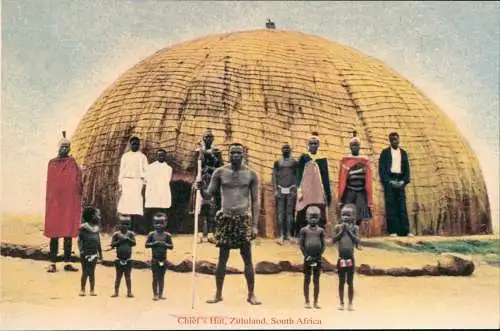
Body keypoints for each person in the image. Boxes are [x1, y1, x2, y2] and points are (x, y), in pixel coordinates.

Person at [197, 143, 261, 305]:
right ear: (228, 155)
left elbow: (255, 202)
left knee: (247, 258)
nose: (235, 156)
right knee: (222, 259)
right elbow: (208, 195)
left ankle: (251, 294)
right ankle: (218, 294)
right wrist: (200, 188)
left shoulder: (251, 175)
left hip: (242, 219)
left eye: (239, 153)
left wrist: (254, 225)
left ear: (244, 154)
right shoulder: (220, 172)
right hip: (225, 219)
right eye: (232, 153)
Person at [44, 131, 82, 273]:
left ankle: (67, 262)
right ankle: (53, 263)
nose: (65, 149)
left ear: (69, 148)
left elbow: (77, 181)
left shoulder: (72, 163)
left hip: (68, 204)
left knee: (67, 233)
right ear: (58, 147)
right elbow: (51, 185)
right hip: (55, 204)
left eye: (67, 147)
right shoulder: (52, 163)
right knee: (54, 234)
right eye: (63, 146)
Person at [295, 132, 332, 235]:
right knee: (303, 208)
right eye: (311, 143)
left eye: (315, 143)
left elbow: (325, 177)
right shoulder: (304, 157)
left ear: (318, 145)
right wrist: (299, 188)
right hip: (306, 189)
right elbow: (299, 173)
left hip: (317, 190)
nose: (313, 145)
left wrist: (327, 193)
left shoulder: (322, 159)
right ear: (308, 145)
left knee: (318, 208)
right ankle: (301, 233)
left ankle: (318, 232)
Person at [338, 132, 373, 236]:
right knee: (347, 213)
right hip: (349, 191)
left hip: (361, 191)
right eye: (353, 145)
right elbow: (342, 179)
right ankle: (346, 234)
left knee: (359, 215)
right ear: (350, 147)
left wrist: (368, 195)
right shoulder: (345, 161)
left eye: (356, 145)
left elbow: (368, 178)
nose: (355, 147)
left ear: (359, 147)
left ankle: (355, 234)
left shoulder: (365, 161)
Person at [192, 129, 223, 243]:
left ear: (213, 139)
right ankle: (200, 234)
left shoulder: (217, 152)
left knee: (212, 208)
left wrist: (211, 167)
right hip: (201, 181)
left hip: (213, 181)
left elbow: (221, 167)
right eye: (206, 137)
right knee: (200, 208)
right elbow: (196, 167)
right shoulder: (198, 151)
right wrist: (194, 181)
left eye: (210, 137)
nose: (208, 139)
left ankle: (211, 234)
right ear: (203, 138)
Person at [378, 132, 412, 237]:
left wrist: (403, 181)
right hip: (390, 180)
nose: (394, 141)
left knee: (402, 206)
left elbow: (407, 169)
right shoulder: (385, 153)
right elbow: (382, 169)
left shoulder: (403, 153)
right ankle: (393, 231)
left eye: (395, 139)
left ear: (399, 140)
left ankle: (405, 231)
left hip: (400, 179)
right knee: (391, 206)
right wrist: (388, 181)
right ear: (389, 141)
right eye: (392, 139)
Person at [332, 204, 361, 311]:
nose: (345, 218)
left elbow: (357, 241)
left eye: (348, 215)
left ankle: (350, 303)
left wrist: (348, 231)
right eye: (343, 215)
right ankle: (341, 303)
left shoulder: (355, 228)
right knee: (341, 281)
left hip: (350, 259)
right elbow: (333, 240)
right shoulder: (337, 228)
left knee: (350, 282)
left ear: (353, 217)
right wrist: (341, 232)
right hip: (341, 259)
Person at [117, 136, 148, 234]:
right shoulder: (125, 156)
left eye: (137, 144)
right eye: (133, 144)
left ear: (139, 145)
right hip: (126, 182)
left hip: (137, 182)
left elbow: (146, 170)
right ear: (130, 145)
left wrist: (143, 182)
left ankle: (135, 228)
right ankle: (127, 228)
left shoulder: (142, 156)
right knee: (127, 206)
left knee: (136, 206)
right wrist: (121, 183)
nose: (135, 146)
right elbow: (122, 170)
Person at [299, 205, 325, 309]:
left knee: (316, 280)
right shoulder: (304, 231)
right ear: (306, 217)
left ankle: (316, 302)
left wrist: (319, 256)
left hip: (317, 259)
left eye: (316, 217)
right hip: (308, 259)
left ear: (319, 218)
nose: (313, 219)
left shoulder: (320, 231)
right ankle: (307, 301)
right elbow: (301, 245)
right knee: (307, 279)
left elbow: (323, 245)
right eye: (311, 217)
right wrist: (306, 256)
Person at [272, 143, 298, 244]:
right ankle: (281, 235)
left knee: (289, 213)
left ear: (290, 149)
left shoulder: (295, 162)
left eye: (287, 148)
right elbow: (274, 176)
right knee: (280, 213)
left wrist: (294, 188)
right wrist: (275, 190)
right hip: (280, 190)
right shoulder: (277, 162)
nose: (286, 150)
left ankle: (289, 234)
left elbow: (297, 176)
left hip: (291, 189)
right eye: (284, 148)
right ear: (281, 150)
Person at [145, 213, 174, 301]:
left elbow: (171, 246)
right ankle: (155, 294)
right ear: (153, 223)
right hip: (155, 259)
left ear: (166, 223)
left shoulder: (167, 235)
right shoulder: (151, 234)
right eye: (157, 223)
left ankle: (161, 294)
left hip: (164, 260)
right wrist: (154, 243)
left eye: (161, 223)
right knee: (155, 277)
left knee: (161, 278)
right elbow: (146, 245)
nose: (159, 225)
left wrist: (165, 244)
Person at [145, 149, 173, 233]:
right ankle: (152, 229)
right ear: (156, 156)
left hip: (163, 191)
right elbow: (147, 179)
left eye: (163, 155)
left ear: (165, 157)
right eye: (159, 155)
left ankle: (163, 229)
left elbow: (167, 179)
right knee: (153, 210)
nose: (161, 157)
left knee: (163, 210)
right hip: (153, 191)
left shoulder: (168, 168)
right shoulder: (150, 167)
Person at [78, 207, 103, 297]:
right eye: (98, 215)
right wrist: (81, 250)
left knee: (92, 272)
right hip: (85, 253)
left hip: (94, 253)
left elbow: (98, 241)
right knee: (85, 271)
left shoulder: (97, 228)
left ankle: (92, 289)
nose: (99, 217)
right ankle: (82, 289)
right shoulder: (83, 227)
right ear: (92, 216)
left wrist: (100, 253)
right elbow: (80, 240)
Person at [110, 214, 136, 298]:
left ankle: (129, 292)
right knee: (118, 277)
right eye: (123, 223)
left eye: (127, 224)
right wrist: (120, 241)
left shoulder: (131, 234)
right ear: (118, 224)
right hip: (119, 259)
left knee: (128, 277)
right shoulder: (116, 234)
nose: (124, 226)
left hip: (128, 259)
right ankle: (116, 292)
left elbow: (134, 243)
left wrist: (128, 239)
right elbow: (112, 245)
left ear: (130, 225)